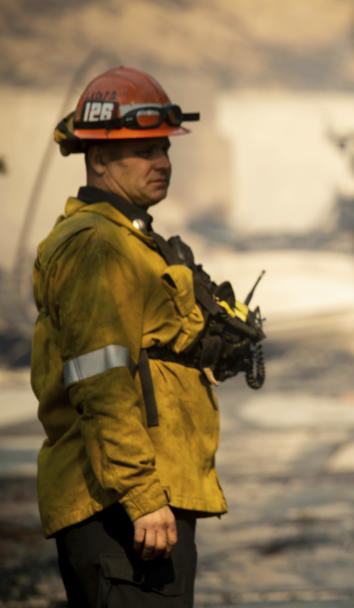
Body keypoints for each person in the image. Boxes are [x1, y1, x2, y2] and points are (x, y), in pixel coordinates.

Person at [32, 66, 237, 606]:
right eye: (144, 151)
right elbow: (99, 380)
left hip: (141, 498)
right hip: (123, 509)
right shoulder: (96, 246)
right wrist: (143, 496)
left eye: (165, 150)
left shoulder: (132, 241)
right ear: (98, 159)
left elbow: (146, 356)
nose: (162, 163)